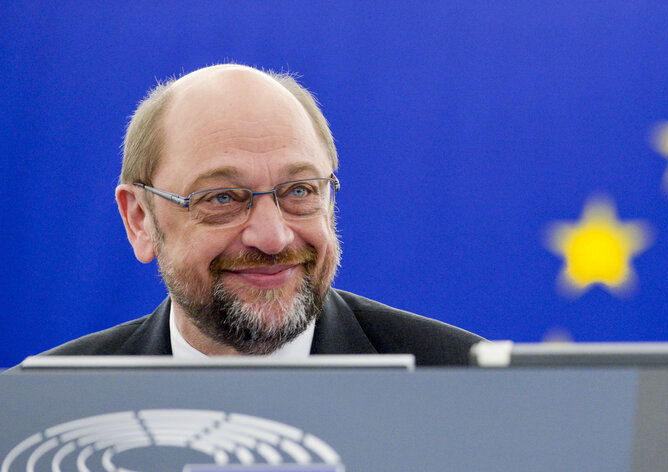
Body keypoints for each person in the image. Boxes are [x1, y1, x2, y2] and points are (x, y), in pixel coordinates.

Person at [37, 64, 483, 365]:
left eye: (300, 191)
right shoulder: (37, 412)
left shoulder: (462, 389)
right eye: (222, 199)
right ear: (140, 219)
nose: (273, 238)